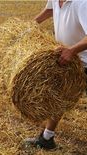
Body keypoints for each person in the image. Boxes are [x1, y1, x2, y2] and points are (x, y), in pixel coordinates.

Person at [25, 0, 87, 150]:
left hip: (83, 59)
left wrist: (72, 50)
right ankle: (47, 138)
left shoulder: (82, 4)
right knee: (59, 97)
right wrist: (29, 26)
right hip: (69, 60)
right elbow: (50, 10)